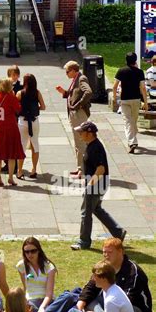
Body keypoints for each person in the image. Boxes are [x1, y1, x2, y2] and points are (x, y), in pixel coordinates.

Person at [70, 121, 126, 251]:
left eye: (81, 132)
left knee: (86, 212)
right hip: (98, 183)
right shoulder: (91, 145)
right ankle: (118, 232)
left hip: (96, 184)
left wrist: (90, 184)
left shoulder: (95, 148)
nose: (79, 134)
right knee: (96, 209)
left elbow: (100, 169)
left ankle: (83, 241)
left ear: (89, 133)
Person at [75, 238, 152, 312]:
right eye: (104, 252)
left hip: (134, 309)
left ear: (120, 252)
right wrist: (79, 306)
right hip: (110, 305)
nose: (106, 255)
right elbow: (91, 287)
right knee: (90, 302)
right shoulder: (104, 267)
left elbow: (126, 301)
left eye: (110, 252)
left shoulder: (133, 271)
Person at [56, 60, 92, 178]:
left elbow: (88, 92)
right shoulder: (75, 79)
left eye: (67, 72)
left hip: (79, 114)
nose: (66, 74)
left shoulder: (81, 79)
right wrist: (64, 92)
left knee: (80, 141)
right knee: (78, 142)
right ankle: (80, 167)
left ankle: (83, 170)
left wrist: (79, 105)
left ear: (73, 70)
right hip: (75, 114)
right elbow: (74, 94)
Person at [0, 78, 24, 187]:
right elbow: (18, 109)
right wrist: (14, 97)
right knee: (12, 154)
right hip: (10, 127)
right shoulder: (11, 98)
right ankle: (10, 178)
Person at [113, 51, 148, 153]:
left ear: (126, 60)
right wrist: (145, 102)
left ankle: (132, 141)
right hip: (136, 100)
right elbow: (143, 88)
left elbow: (115, 86)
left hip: (125, 100)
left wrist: (115, 98)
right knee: (133, 120)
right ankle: (132, 141)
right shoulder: (140, 72)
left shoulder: (121, 71)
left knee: (128, 121)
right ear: (135, 60)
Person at [16, 237, 56, 312]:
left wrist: (42, 307)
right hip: (31, 300)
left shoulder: (49, 267)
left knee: (66, 298)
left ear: (38, 250)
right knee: (20, 307)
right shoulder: (21, 266)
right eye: (26, 252)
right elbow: (26, 287)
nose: (30, 254)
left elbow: (49, 293)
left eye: (33, 251)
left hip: (47, 300)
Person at [16, 74, 45, 179]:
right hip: (34, 121)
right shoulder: (37, 93)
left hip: (23, 122)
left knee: (22, 146)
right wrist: (35, 108)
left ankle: (19, 171)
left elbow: (15, 107)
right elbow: (43, 107)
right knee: (35, 145)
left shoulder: (20, 93)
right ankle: (34, 169)